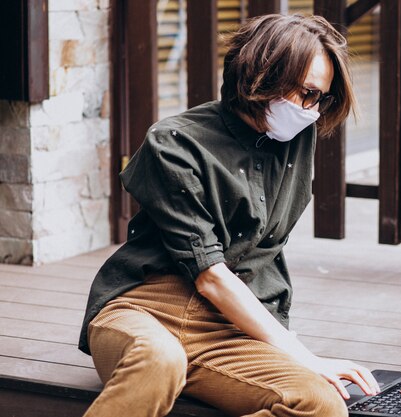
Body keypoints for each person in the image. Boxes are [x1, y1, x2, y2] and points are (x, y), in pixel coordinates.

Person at [78, 13, 380, 417]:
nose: (312, 110)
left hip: (227, 331)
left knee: (321, 404)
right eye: (307, 93)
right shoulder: (175, 142)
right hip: (146, 309)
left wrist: (290, 352)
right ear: (262, 76)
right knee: (160, 360)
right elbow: (211, 276)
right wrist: (304, 355)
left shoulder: (295, 136)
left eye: (320, 98)